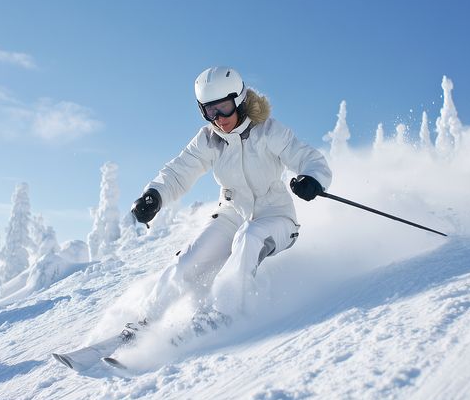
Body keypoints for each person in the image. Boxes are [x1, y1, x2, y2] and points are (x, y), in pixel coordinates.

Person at [129, 66, 332, 338]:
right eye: (209, 111)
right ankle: (144, 323)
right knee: (188, 262)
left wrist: (313, 179)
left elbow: (309, 158)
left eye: (223, 108)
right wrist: (154, 195)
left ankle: (222, 314)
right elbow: (178, 172)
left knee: (250, 237)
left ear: (239, 100)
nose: (218, 118)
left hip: (276, 219)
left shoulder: (268, 131)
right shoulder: (209, 140)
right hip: (231, 215)